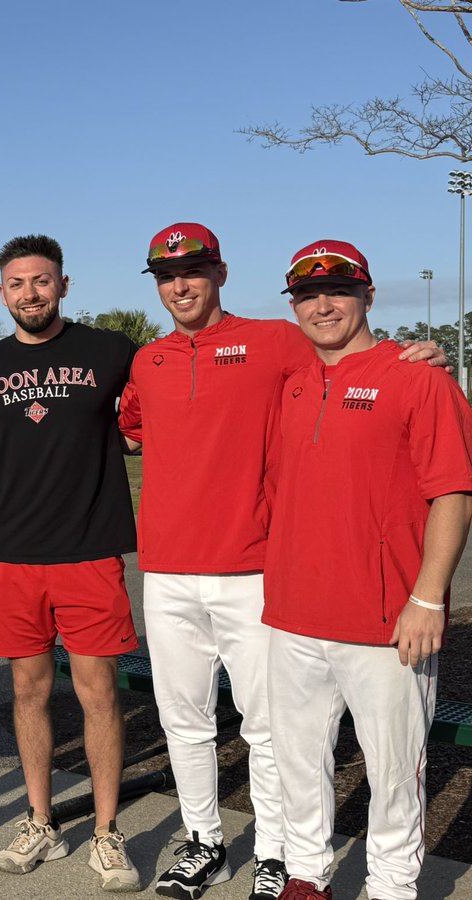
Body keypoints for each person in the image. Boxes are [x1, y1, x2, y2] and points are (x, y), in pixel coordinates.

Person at [116, 224, 450, 900]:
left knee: (278, 732)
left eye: (196, 270)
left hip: (256, 573)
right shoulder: (147, 362)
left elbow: (361, 364)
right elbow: (129, 428)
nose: (180, 285)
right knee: (189, 721)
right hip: (183, 574)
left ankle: (279, 856)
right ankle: (210, 841)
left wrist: (424, 352)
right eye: (166, 276)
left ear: (222, 273)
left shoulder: (281, 343)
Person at [264, 240, 472, 900]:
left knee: (394, 773)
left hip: (386, 623)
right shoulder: (293, 382)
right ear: (293, 305)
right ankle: (305, 876)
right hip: (294, 615)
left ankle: (390, 888)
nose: (323, 305)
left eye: (339, 292)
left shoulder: (419, 377)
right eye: (306, 295)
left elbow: (454, 494)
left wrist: (430, 598)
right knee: (298, 762)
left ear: (369, 297)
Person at [0, 234, 142, 892]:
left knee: (98, 697)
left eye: (41, 281)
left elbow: (169, 399)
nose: (29, 293)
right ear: (2, 291)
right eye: (16, 283)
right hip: (14, 555)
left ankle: (105, 831)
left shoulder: (110, 352)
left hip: (90, 552)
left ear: (63, 285)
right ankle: (41, 820)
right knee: (28, 694)